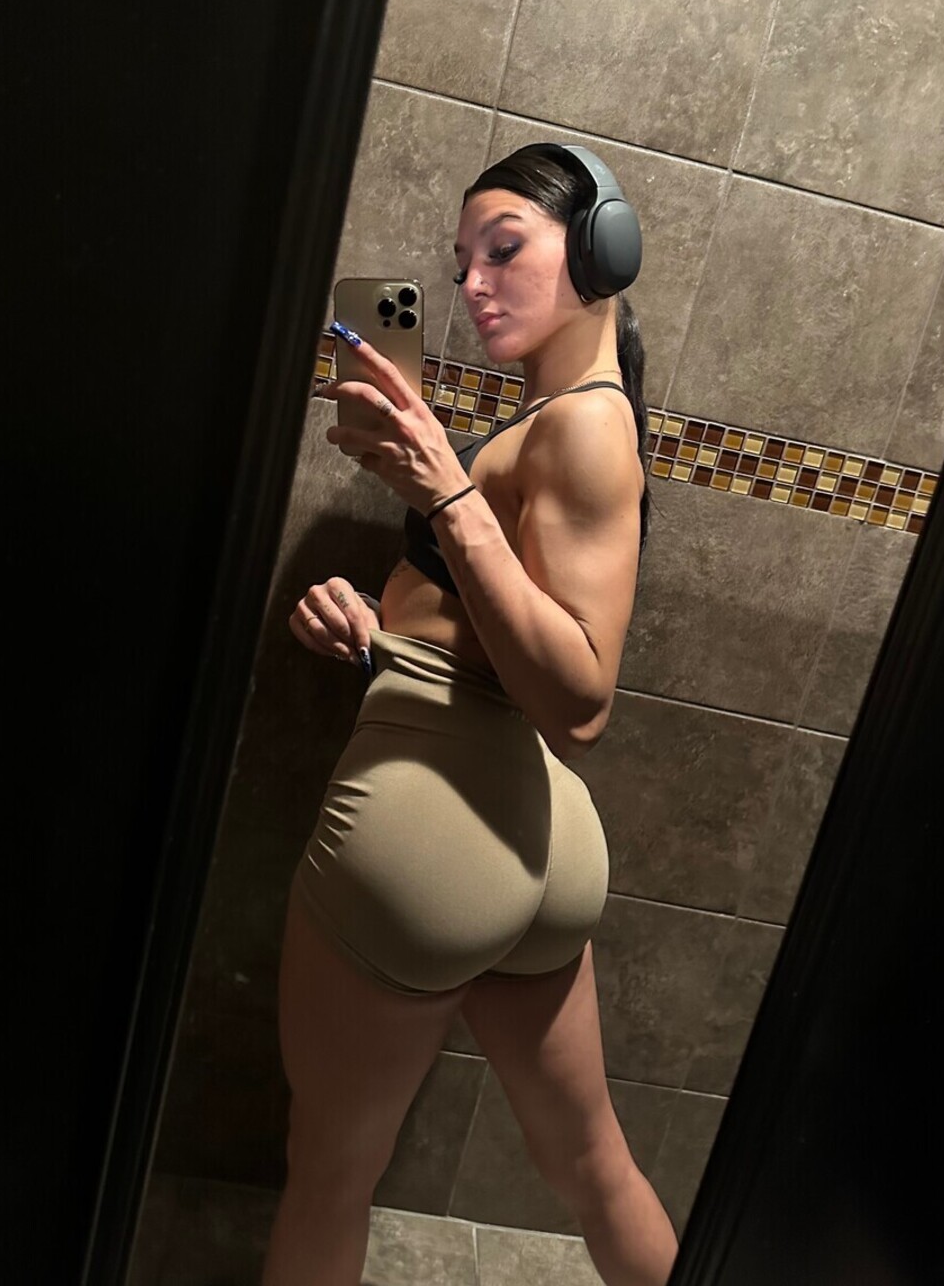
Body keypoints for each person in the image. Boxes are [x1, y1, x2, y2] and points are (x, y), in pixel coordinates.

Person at [261, 143, 678, 1286]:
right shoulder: (555, 419)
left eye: (504, 249)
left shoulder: (584, 425)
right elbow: (495, 639)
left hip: (436, 828)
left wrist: (446, 490)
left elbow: (581, 699)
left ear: (602, 250)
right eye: (462, 265)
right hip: (532, 839)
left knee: (329, 1174)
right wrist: (381, 635)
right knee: (590, 1164)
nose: (473, 284)